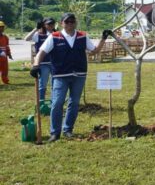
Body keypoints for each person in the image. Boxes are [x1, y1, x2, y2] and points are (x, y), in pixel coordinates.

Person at [30, 13, 108, 142]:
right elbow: (41, 52)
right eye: (67, 22)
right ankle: (55, 133)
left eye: (72, 21)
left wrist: (103, 39)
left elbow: (94, 51)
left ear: (75, 23)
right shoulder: (54, 37)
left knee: (74, 103)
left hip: (79, 75)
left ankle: (68, 130)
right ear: (61, 23)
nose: (70, 24)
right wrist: (36, 65)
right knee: (57, 103)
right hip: (60, 75)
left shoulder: (82, 36)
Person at [24, 18, 57, 99]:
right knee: (42, 84)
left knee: (55, 84)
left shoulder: (56, 34)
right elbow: (26, 38)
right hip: (43, 64)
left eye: (52, 24)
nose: (51, 26)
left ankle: (54, 101)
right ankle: (41, 102)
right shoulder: (38, 34)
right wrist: (36, 28)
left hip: (54, 63)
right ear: (44, 25)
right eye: (48, 24)